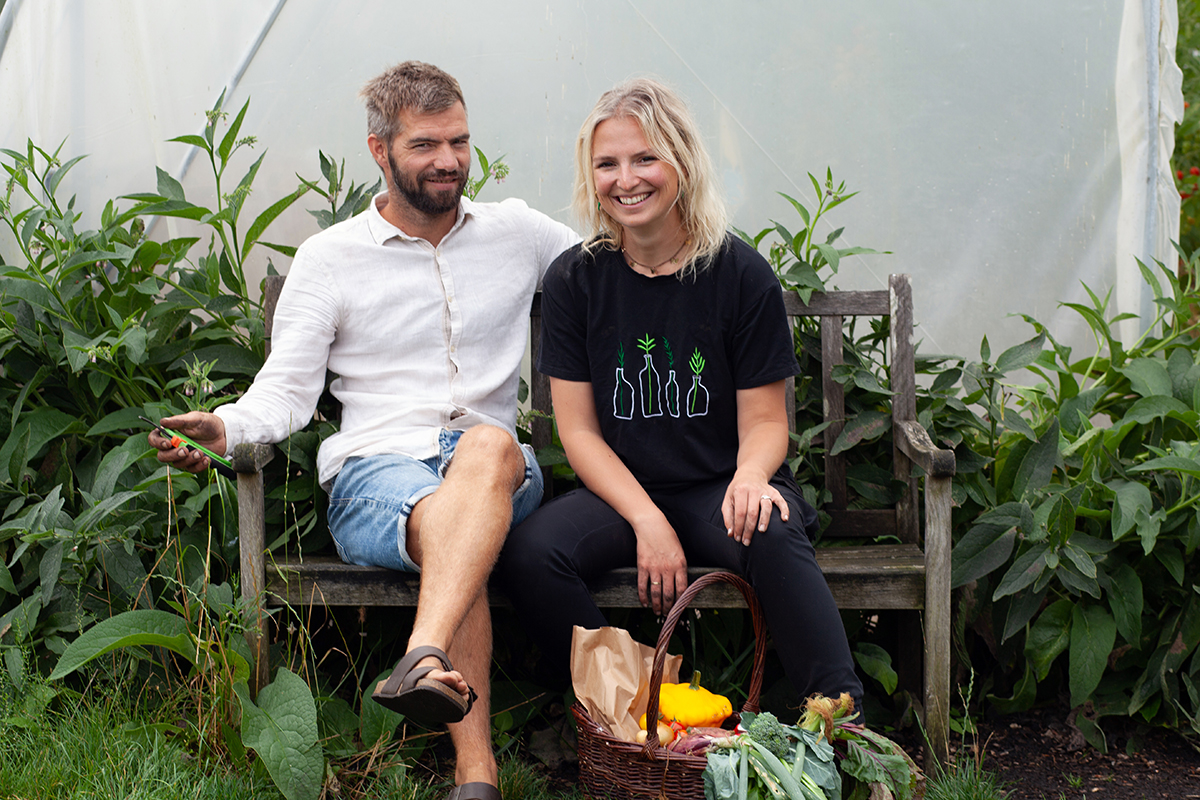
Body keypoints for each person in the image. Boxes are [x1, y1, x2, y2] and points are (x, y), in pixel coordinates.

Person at [150, 61, 578, 800]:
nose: (449, 161)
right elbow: (285, 389)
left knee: (486, 449)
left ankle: (425, 661)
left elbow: (618, 273)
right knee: (459, 532)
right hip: (377, 475)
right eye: (425, 146)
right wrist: (224, 427)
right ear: (380, 152)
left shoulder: (519, 233)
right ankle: (477, 776)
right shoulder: (330, 259)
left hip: (497, 468)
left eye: (460, 142)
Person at [497, 78, 863, 712]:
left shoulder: (738, 274)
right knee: (530, 554)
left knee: (772, 526)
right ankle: (640, 714)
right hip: (622, 493)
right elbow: (578, 432)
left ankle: (841, 720)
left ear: (682, 163)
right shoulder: (576, 279)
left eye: (645, 158)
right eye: (606, 164)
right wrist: (646, 519)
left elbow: (766, 419)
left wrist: (752, 477)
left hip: (721, 486)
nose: (625, 179)